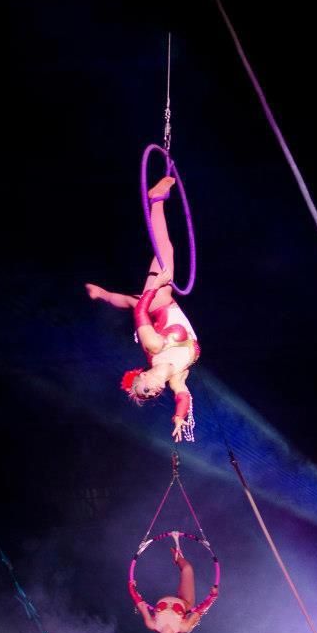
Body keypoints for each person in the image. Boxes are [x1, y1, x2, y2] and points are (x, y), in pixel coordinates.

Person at [86, 177, 199, 442]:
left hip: (158, 302)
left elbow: (141, 314)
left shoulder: (154, 347)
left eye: (145, 389)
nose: (151, 393)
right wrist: (179, 417)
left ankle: (156, 198)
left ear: (143, 374)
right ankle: (102, 294)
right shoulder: (175, 379)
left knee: (164, 249)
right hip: (162, 305)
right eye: (150, 396)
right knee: (129, 300)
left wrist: (157, 285)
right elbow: (182, 396)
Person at [128, 531, 219, 633]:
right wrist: (212, 596)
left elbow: (140, 603)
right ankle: (178, 556)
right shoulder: (184, 627)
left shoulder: (152, 624)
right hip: (185, 602)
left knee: (180, 569)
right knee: (187, 569)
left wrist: (131, 587)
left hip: (171, 602)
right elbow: (200, 611)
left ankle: (177, 554)